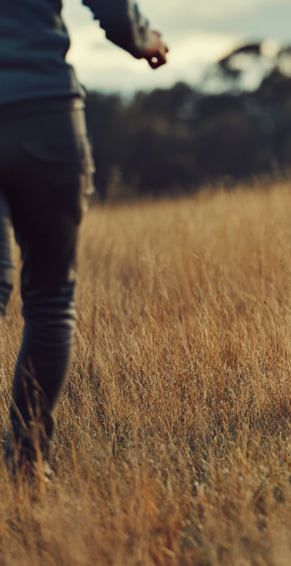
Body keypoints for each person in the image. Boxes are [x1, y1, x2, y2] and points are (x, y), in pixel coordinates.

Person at [0, 0, 169, 479]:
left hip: (45, 113)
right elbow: (115, 11)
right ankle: (29, 467)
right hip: (47, 116)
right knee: (51, 300)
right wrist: (143, 39)